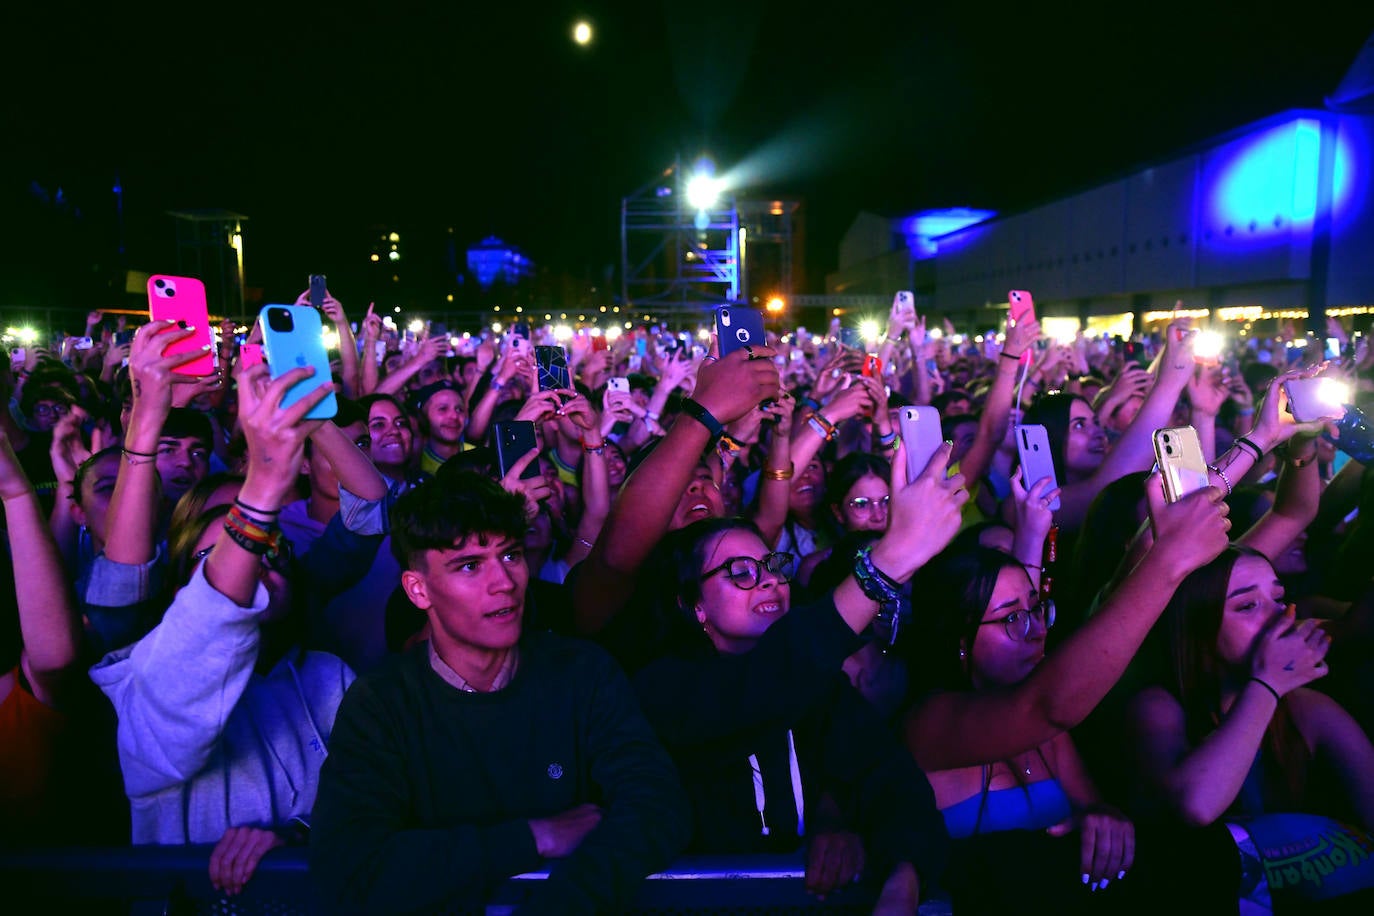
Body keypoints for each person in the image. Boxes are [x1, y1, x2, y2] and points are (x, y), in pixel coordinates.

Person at [310, 470, 691, 914]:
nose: (505, 582)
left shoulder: (582, 673)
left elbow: (658, 805)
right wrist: (534, 837)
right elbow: (352, 866)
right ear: (418, 590)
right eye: (470, 565)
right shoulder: (381, 703)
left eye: (511, 556)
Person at [633, 440, 967, 911]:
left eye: (772, 565)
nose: (769, 580)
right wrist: (889, 561)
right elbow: (762, 686)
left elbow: (895, 785)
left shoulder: (823, 688)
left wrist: (902, 876)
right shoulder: (663, 689)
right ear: (696, 607)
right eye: (741, 572)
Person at [90, 357, 355, 898]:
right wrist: (260, 491)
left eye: (268, 546)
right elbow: (177, 618)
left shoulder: (331, 676)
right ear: (185, 582)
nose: (257, 560)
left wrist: (299, 834)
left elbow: (379, 795)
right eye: (224, 555)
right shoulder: (138, 677)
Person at [1127, 546, 1374, 910]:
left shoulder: (1306, 709)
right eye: (1247, 606)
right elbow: (1196, 806)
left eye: (1278, 598)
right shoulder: (1157, 707)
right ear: (1197, 627)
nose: (1279, 617)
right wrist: (1269, 683)